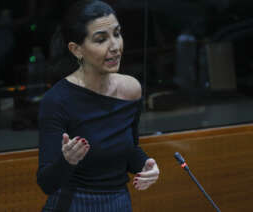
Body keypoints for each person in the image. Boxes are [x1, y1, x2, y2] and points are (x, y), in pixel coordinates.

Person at [36, 1, 160, 211]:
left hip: (119, 202)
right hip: (74, 203)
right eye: (101, 39)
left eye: (117, 34)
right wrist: (67, 161)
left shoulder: (131, 90)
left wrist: (147, 165)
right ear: (76, 50)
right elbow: (47, 183)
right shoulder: (57, 101)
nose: (115, 46)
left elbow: (129, 150)